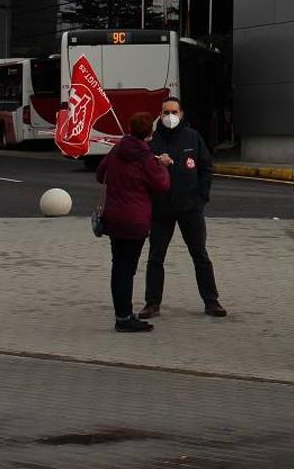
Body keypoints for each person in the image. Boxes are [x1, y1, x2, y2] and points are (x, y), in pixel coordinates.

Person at [138, 97, 226, 320]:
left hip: (190, 208)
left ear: (181, 114)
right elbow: (142, 172)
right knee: (156, 257)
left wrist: (201, 198)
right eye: (166, 112)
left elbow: (206, 168)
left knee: (200, 254)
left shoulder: (192, 137)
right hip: (161, 209)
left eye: (174, 112)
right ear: (160, 114)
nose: (170, 117)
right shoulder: (152, 141)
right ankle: (152, 303)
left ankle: (211, 301)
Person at [96, 111, 170, 332]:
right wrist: (163, 166)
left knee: (118, 267)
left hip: (114, 218)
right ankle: (125, 318)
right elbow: (162, 185)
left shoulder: (117, 149)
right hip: (135, 220)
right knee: (127, 269)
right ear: (150, 133)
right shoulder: (147, 158)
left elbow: (101, 175)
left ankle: (121, 314)